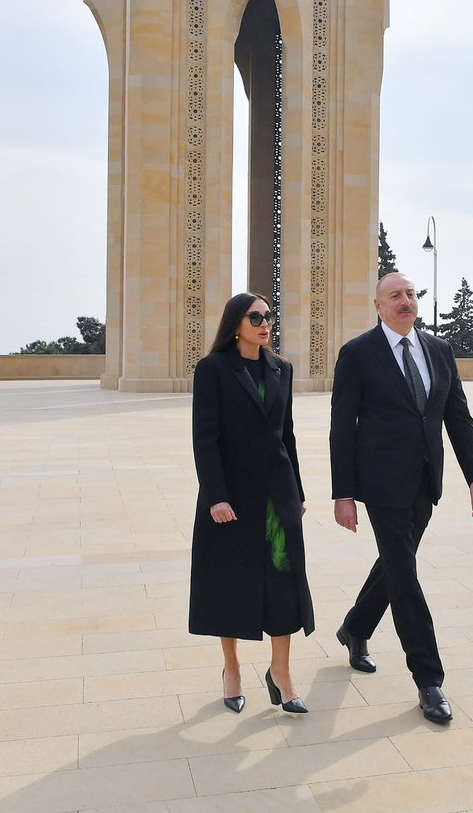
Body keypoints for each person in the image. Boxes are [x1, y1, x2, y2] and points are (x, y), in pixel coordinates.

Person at [329, 271, 473, 724]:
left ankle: (355, 627)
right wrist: (343, 494)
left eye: (411, 294)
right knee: (404, 574)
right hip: (380, 483)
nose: (406, 301)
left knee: (394, 563)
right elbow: (342, 428)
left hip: (424, 481)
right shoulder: (358, 354)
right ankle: (429, 680)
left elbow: (458, 416)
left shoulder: (438, 350)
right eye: (395, 295)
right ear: (378, 306)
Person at [189, 292, 314, 715]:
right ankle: (232, 669)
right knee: (232, 584)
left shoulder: (282, 369)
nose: (265, 323)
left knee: (283, 583)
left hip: (277, 497)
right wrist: (215, 496)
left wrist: (295, 491)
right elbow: (205, 438)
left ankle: (281, 672)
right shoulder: (213, 370)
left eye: (268, 316)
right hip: (232, 497)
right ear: (235, 323)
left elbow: (288, 436)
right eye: (255, 317)